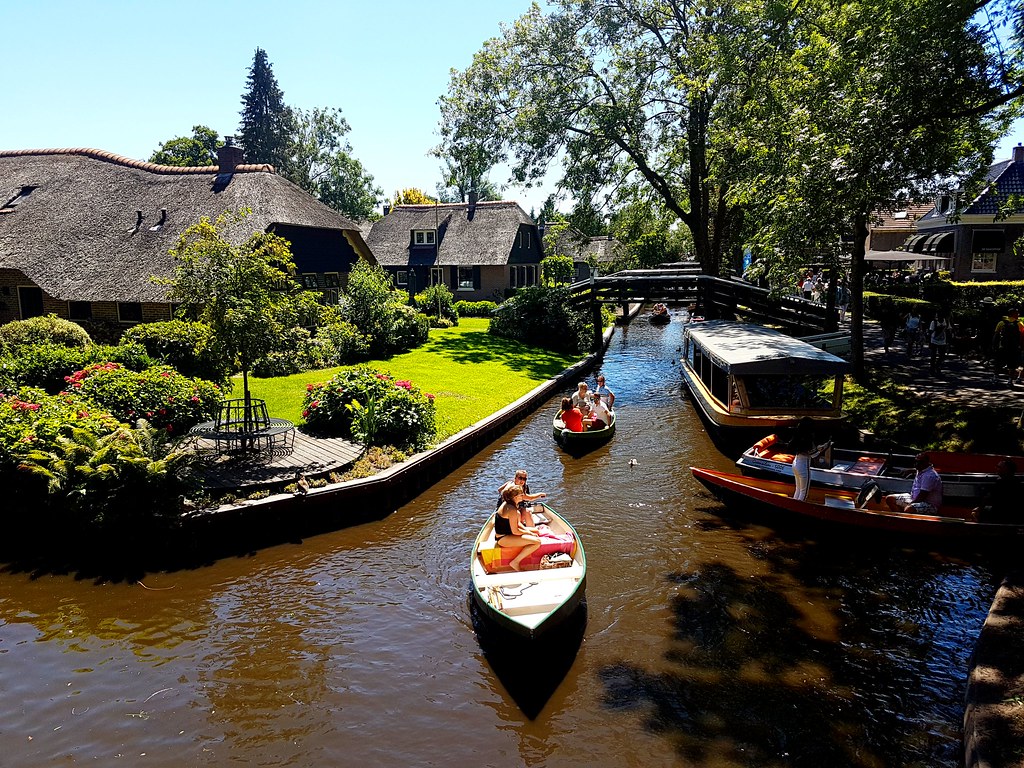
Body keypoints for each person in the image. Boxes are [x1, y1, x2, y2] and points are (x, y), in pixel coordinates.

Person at [494, 485, 542, 571]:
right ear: (515, 497)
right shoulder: (512, 510)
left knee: (536, 531)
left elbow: (518, 523)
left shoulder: (508, 504)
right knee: (537, 542)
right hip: (503, 538)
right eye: (521, 495)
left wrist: (529, 531)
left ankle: (529, 537)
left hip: (508, 533)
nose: (523, 496)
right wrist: (528, 533)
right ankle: (515, 562)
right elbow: (515, 531)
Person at [787, 417, 831, 501]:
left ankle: (794, 505)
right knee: (804, 492)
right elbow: (814, 455)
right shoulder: (808, 438)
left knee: (798, 489)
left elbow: (806, 450)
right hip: (803, 466)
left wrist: (818, 448)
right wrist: (824, 447)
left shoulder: (798, 436)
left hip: (795, 463)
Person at [973, 459, 1020, 523]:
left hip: (1000, 513)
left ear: (1006, 470)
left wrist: (979, 509)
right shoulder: (1017, 482)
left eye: (999, 467)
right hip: (1013, 513)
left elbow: (988, 498)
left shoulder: (1001, 482)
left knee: (979, 511)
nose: (996, 469)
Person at [992, 308, 1024, 386]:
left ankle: (995, 378)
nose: (1018, 315)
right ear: (1013, 314)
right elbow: (1022, 337)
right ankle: (1010, 380)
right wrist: (1021, 347)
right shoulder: (1020, 324)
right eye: (1017, 313)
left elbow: (996, 335)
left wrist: (994, 345)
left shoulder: (1001, 323)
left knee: (998, 362)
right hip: (1014, 348)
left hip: (1002, 346)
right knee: (1012, 365)